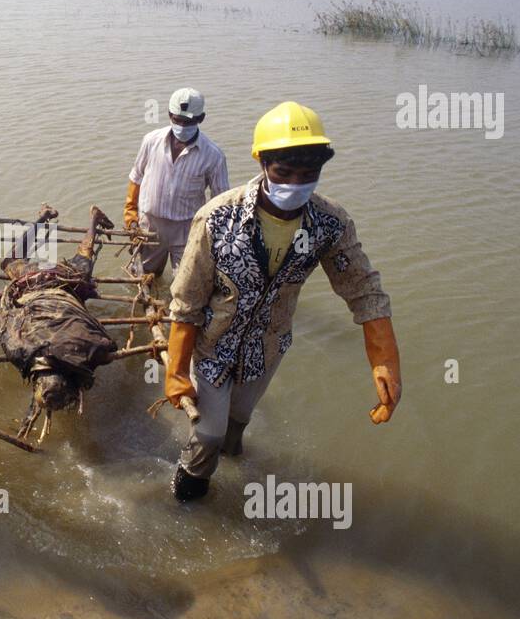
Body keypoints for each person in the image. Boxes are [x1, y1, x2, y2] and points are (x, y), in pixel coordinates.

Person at [162, 101, 401, 501]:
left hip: (266, 349)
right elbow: (186, 302)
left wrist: (385, 362)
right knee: (207, 434)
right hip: (212, 346)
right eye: (284, 172)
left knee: (238, 424)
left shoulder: (330, 224)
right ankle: (188, 495)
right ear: (262, 163)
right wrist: (176, 370)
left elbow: (364, 292)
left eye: (308, 175)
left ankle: (234, 460)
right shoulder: (217, 219)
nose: (295, 184)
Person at [124, 87, 229, 275]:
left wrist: (213, 238)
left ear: (201, 118)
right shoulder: (151, 141)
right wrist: (130, 214)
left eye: (188, 122)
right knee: (143, 277)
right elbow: (136, 177)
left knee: (185, 285)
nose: (182, 126)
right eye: (177, 120)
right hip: (150, 225)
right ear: (169, 115)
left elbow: (220, 201)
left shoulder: (214, 155)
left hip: (186, 229)